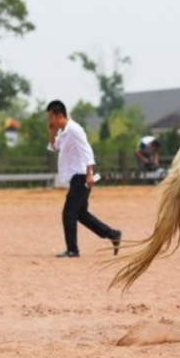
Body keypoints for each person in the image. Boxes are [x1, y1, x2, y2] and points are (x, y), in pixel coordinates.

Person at [46, 100, 122, 258]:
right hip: (76, 177)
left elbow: (87, 151)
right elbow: (55, 147)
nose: (49, 121)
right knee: (81, 214)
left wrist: (89, 173)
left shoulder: (74, 130)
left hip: (81, 177)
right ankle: (113, 234)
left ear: (59, 115)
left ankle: (72, 250)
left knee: (68, 213)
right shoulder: (64, 131)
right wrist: (52, 133)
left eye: (50, 117)